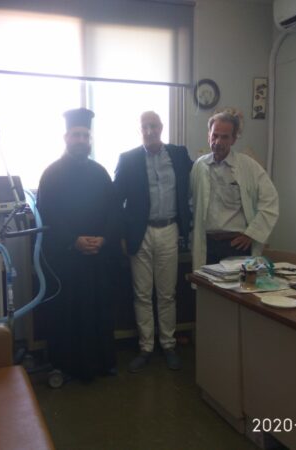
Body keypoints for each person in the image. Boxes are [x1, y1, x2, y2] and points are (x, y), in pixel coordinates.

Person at [37, 108, 119, 382]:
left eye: (85, 135)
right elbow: (47, 214)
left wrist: (104, 238)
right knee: (68, 312)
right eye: (76, 135)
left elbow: (113, 211)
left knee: (98, 310)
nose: (81, 140)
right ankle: (67, 366)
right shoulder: (51, 174)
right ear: (66, 137)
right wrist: (74, 240)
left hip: (97, 258)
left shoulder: (100, 173)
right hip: (67, 260)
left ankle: (102, 363)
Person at [114, 111, 192, 373]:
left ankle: (168, 345)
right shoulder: (128, 159)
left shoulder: (179, 155)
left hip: (169, 229)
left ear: (161, 127)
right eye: (144, 127)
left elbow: (196, 182)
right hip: (141, 233)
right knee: (142, 294)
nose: (149, 131)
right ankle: (146, 347)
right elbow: (116, 201)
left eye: (153, 126)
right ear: (140, 130)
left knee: (167, 294)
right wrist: (122, 235)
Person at [190, 111, 279, 270]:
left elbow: (270, 202)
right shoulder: (199, 166)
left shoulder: (248, 167)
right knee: (206, 285)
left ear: (233, 139)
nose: (218, 142)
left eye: (225, 137)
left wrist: (252, 233)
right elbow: (191, 201)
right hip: (207, 244)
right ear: (208, 135)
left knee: (236, 285)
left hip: (236, 244)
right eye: (215, 135)